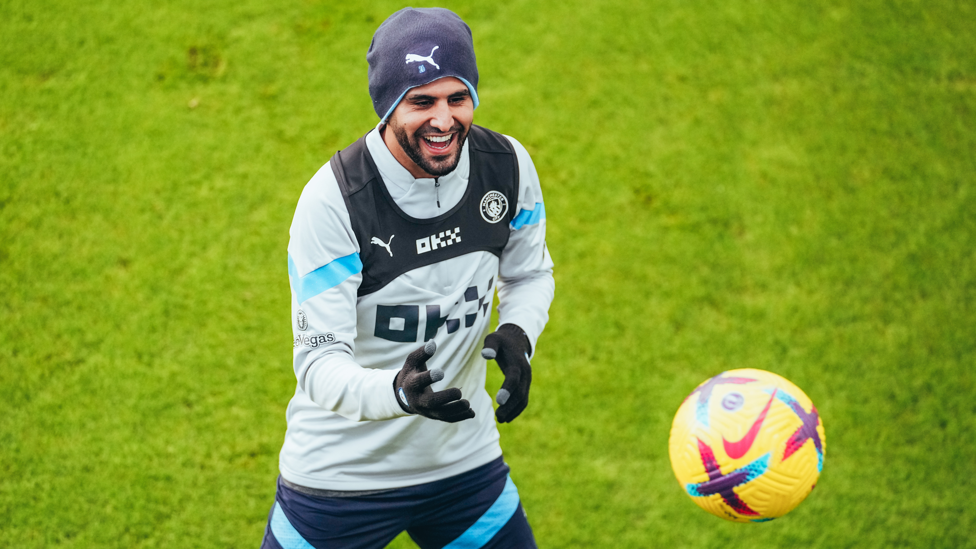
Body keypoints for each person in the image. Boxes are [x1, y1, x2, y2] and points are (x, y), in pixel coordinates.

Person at [262, 7, 554, 549]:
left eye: (457, 98)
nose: (444, 121)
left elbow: (531, 273)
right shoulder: (335, 201)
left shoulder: (506, 166)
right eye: (422, 102)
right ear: (389, 105)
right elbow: (318, 364)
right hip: (340, 480)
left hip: (462, 464)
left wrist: (518, 333)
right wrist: (398, 393)